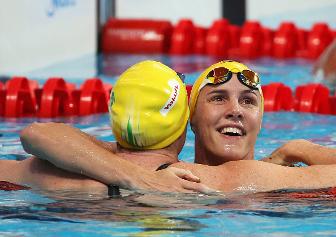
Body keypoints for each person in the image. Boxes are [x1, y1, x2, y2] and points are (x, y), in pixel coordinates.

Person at [19, 60, 336, 194]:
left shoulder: (123, 163)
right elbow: (40, 134)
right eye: (218, 98)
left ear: (261, 120)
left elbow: (38, 135)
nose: (235, 111)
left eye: (249, 102)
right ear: (190, 119)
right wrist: (303, 149)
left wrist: (297, 148)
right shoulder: (151, 167)